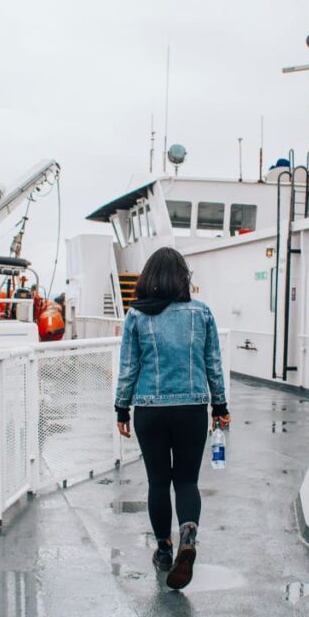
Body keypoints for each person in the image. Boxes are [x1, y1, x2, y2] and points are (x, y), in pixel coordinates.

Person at [114, 247, 231, 590]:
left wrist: (122, 408)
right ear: (183, 279)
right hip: (192, 409)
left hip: (150, 411)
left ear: (148, 278)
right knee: (186, 481)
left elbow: (129, 368)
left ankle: (164, 550)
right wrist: (219, 406)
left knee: (157, 482)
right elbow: (213, 363)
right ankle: (188, 535)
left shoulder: (136, 316)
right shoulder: (202, 313)